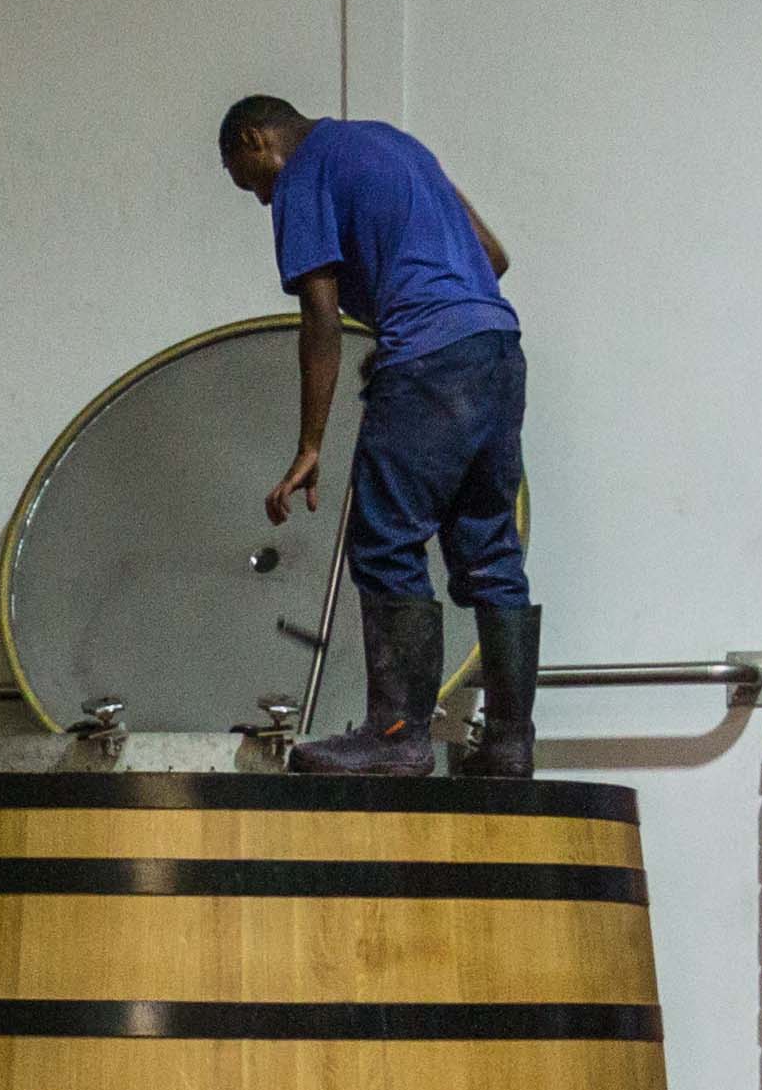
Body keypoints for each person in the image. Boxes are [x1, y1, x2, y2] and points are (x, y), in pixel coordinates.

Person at [217, 93, 538, 779]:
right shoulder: (394, 145)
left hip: (429, 358)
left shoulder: (303, 173)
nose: (263, 199)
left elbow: (321, 316)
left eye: (252, 183)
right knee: (489, 551)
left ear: (254, 140)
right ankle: (511, 743)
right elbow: (492, 256)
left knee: (385, 540)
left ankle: (396, 737)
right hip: (497, 350)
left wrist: (310, 444)